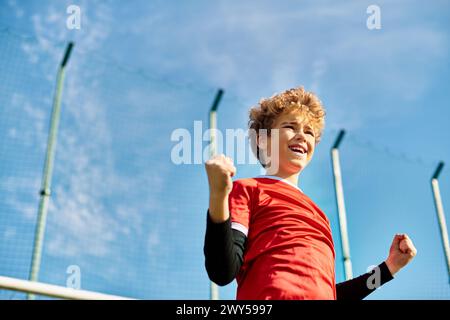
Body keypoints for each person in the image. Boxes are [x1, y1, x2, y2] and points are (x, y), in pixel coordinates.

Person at [203, 87, 417, 300]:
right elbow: (222, 271)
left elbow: (330, 295)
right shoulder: (247, 189)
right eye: (290, 126)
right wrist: (218, 195)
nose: (301, 136)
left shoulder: (321, 216)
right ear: (262, 140)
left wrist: (389, 268)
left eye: (309, 132)